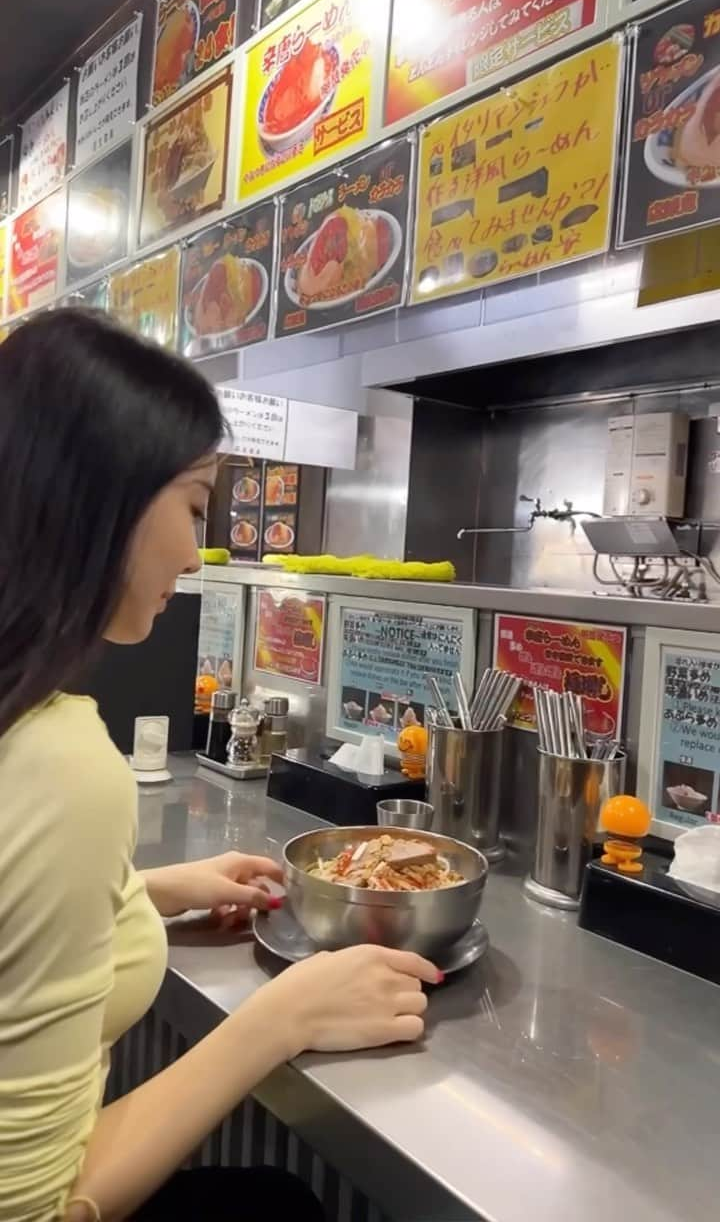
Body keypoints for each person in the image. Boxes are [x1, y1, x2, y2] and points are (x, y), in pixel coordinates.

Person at [0, 310, 441, 1222]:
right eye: (195, 505)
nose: (197, 555)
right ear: (96, 502)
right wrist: (285, 1020)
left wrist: (144, 890)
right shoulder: (60, 763)